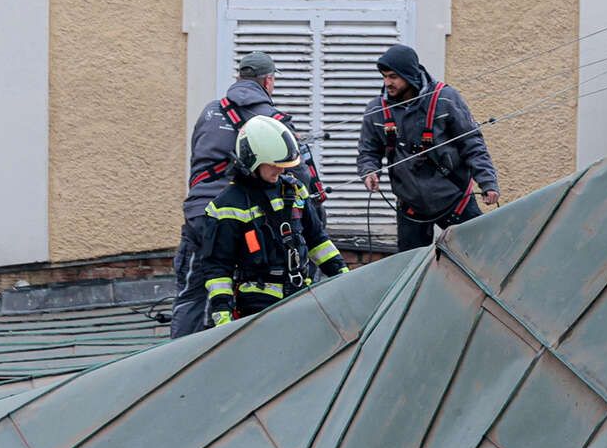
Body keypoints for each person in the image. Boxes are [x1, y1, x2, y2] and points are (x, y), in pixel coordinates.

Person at [172, 49, 321, 337]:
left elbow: (197, 160)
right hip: (249, 224)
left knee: (193, 295)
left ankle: (177, 362)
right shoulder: (275, 121)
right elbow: (300, 175)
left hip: (199, 216)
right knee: (258, 295)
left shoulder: (210, 112)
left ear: (240, 77)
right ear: (268, 82)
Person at [194, 116, 345, 330]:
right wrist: (223, 318)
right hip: (257, 310)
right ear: (252, 160)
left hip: (302, 298)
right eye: (274, 165)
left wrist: (343, 275)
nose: (281, 170)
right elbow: (218, 267)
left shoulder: (294, 190)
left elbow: (317, 240)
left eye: (284, 165)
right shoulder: (226, 207)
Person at [358, 44, 499, 252]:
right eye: (384, 76)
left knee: (481, 255)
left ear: (410, 74)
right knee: (410, 270)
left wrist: (488, 182)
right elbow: (368, 151)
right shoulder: (376, 110)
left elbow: (472, 144)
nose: (387, 83)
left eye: (393, 77)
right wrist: (368, 171)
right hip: (411, 208)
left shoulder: (445, 99)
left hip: (456, 201)